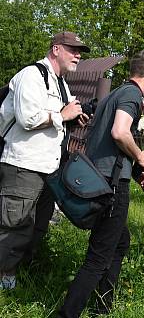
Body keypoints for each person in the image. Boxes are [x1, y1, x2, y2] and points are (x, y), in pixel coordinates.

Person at [47, 50, 144, 318]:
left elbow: (109, 143)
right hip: (110, 189)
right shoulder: (133, 96)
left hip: (102, 179)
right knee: (98, 257)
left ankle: (103, 307)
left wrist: (135, 170)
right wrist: (142, 156)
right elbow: (119, 132)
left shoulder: (115, 94)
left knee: (119, 242)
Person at [0, 31, 89, 290]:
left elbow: (58, 116)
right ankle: (5, 279)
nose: (78, 56)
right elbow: (28, 118)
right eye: (73, 50)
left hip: (48, 166)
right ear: (56, 49)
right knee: (13, 224)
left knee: (37, 224)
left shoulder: (60, 82)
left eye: (80, 51)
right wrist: (62, 113)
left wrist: (72, 117)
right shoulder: (31, 75)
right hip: (23, 163)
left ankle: (21, 273)